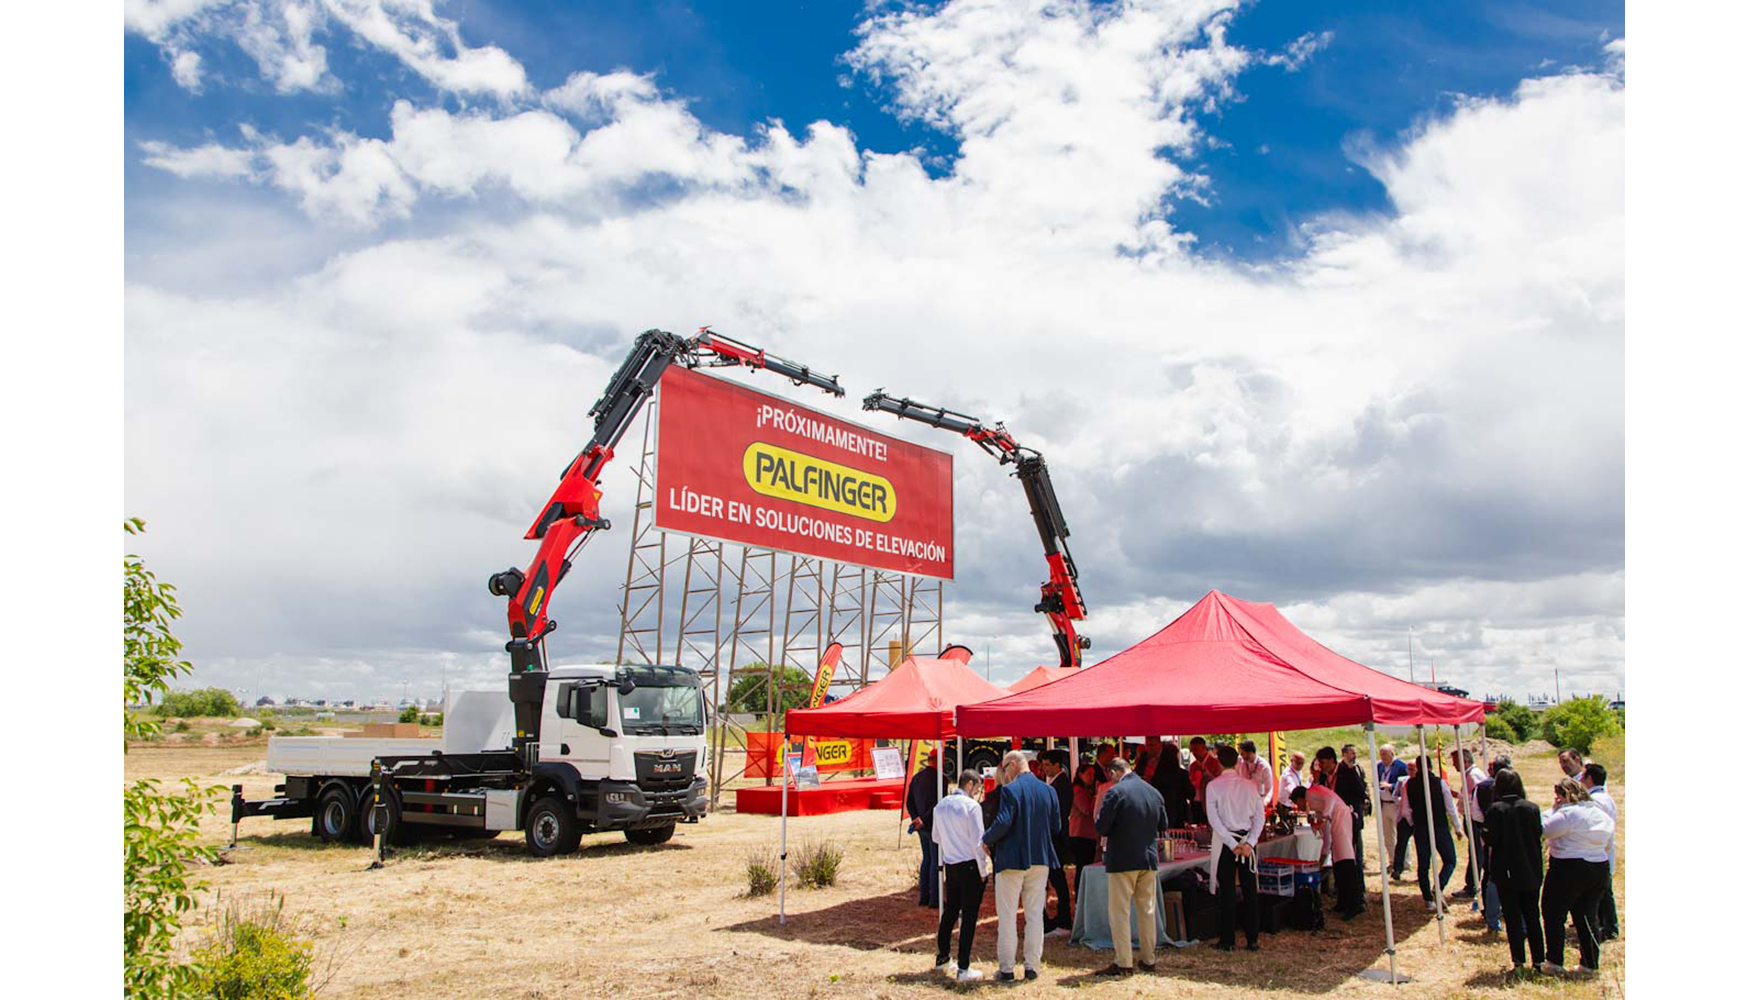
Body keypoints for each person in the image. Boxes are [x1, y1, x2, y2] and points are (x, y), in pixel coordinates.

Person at [982, 750, 1061, 983]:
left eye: (1005, 769)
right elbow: (1056, 826)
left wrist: (986, 839)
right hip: (1041, 858)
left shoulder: (1010, 790)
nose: (1003, 774)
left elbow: (1003, 821)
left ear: (1015, 765)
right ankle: (1032, 967)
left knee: (1007, 916)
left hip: (1012, 860)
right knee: (1035, 915)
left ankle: (1006, 969)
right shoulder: (1049, 791)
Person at [1093, 757, 1168, 976]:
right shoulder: (1153, 792)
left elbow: (1102, 827)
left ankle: (1124, 961)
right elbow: (1163, 825)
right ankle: (1148, 958)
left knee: (1120, 911)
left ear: (1114, 773)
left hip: (1123, 860)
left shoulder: (1116, 793)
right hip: (1148, 858)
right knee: (1147, 910)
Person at [1540, 777, 1614, 977]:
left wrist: (1554, 810)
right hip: (1598, 866)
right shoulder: (1601, 815)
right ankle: (1590, 964)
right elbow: (1608, 844)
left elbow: (1545, 830)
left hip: (1568, 866)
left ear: (1565, 796)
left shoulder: (1567, 814)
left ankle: (1554, 961)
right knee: (1588, 916)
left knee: (1554, 912)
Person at [1482, 768, 1544, 973]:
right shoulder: (1532, 808)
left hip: (1506, 870)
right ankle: (1539, 960)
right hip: (1530, 868)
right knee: (1532, 915)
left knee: (1513, 917)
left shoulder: (1496, 810)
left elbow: (1490, 839)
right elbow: (1538, 835)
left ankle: (1518, 960)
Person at [1205, 745, 1266, 951]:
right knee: (1250, 890)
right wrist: (1250, 843)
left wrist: (1233, 844)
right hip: (1245, 839)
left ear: (1219, 762)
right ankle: (1252, 938)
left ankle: (1227, 939)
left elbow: (1214, 820)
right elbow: (1260, 816)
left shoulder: (1213, 786)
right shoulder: (1250, 785)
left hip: (1227, 842)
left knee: (1227, 891)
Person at [932, 769, 989, 982]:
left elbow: (936, 836)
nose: (978, 792)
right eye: (978, 787)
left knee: (950, 912)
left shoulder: (941, 805)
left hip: (951, 864)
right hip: (970, 866)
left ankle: (943, 957)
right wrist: (984, 871)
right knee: (969, 916)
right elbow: (978, 842)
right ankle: (964, 967)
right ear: (971, 784)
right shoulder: (972, 807)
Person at [1292, 784, 1363, 919]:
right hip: (1335, 817)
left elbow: (1329, 799)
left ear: (1301, 798)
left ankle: (1354, 903)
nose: (1299, 806)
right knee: (1338, 859)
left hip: (1341, 815)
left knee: (1344, 858)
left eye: (1297, 803)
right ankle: (1343, 901)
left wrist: (1323, 818)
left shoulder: (1313, 792)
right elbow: (1324, 829)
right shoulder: (1314, 804)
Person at [1405, 754, 1458, 911]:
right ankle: (1439, 885)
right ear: (1430, 766)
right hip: (1439, 826)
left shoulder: (1410, 784)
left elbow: (1406, 810)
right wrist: (1457, 827)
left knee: (1423, 864)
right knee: (1450, 860)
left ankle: (1428, 899)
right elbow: (1450, 807)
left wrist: (1414, 823)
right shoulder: (1439, 783)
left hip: (1421, 828)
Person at [1582, 763, 1619, 943]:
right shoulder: (1606, 797)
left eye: (1583, 777)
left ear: (1589, 779)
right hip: (1605, 846)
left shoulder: (1595, 800)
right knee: (1605, 891)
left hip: (1599, 847)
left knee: (1603, 894)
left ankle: (1608, 927)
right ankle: (1609, 926)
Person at [1039, 750, 1075, 934]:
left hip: (1056, 839)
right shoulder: (1052, 783)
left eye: (1047, 765)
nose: (1044, 769)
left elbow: (1059, 813)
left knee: (1057, 879)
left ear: (1056, 765)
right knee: (1052, 878)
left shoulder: (1062, 784)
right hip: (1051, 838)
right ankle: (1052, 919)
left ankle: (1063, 920)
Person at [905, 749, 942, 908]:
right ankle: (935, 898)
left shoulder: (917, 778)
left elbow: (909, 801)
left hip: (921, 826)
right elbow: (939, 806)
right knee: (935, 860)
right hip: (932, 825)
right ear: (938, 760)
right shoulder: (941, 779)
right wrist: (923, 819)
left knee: (927, 858)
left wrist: (916, 819)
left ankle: (924, 896)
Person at [1452, 749, 1487, 899]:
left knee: (1476, 851)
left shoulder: (1474, 775)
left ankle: (1472, 885)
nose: (1454, 765)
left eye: (1455, 761)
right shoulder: (1469, 775)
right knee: (1475, 851)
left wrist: (1455, 794)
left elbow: (1478, 798)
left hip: (1475, 819)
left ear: (1465, 761)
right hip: (1470, 817)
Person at [1375, 744, 1407, 876]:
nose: (1383, 757)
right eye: (1381, 754)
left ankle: (1404, 862)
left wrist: (1391, 786)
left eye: (1385, 755)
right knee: (1388, 834)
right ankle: (1392, 860)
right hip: (1384, 803)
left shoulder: (1400, 766)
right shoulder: (1379, 766)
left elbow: (1406, 782)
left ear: (1392, 754)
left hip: (1396, 804)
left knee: (1401, 834)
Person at [1334, 745, 1368, 874]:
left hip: (1356, 815)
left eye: (1355, 753)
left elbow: (1362, 787)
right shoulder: (1340, 770)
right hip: (1344, 815)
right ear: (1344, 754)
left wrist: (1366, 799)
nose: (1354, 756)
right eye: (1351, 753)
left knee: (1357, 849)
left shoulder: (1357, 768)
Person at [1147, 739, 1193, 830]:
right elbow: (1190, 793)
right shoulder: (1182, 774)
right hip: (1179, 813)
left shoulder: (1157, 776)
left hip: (1162, 812)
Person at [1068, 762, 1100, 878]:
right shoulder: (1077, 791)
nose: (1091, 777)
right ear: (1080, 775)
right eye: (1089, 774)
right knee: (1082, 867)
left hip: (1088, 834)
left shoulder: (1087, 791)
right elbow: (1086, 809)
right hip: (1080, 835)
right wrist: (1097, 795)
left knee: (1086, 865)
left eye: (1093, 774)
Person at [1391, 760, 1415, 879]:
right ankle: (1397, 869)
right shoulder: (1402, 781)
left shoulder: (1422, 782)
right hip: (1404, 817)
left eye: (1412, 769)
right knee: (1401, 844)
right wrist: (1402, 802)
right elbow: (1395, 796)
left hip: (1417, 818)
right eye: (1408, 769)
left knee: (1422, 846)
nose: (1409, 772)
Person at [1186, 737, 1216, 823]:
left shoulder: (1214, 763)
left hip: (1209, 802)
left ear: (1203, 748)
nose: (1193, 753)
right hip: (1195, 802)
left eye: (1196, 749)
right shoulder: (1193, 765)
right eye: (1192, 750)